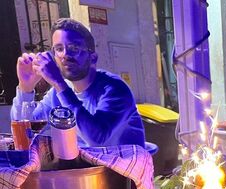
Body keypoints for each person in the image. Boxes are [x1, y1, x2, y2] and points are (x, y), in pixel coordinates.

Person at [11, 18, 144, 148]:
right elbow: (26, 129)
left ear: (93, 58)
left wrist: (58, 83)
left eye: (74, 48)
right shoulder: (57, 93)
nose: (65, 55)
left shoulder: (114, 89)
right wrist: (25, 88)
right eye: (59, 48)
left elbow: (97, 139)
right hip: (82, 163)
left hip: (122, 162)